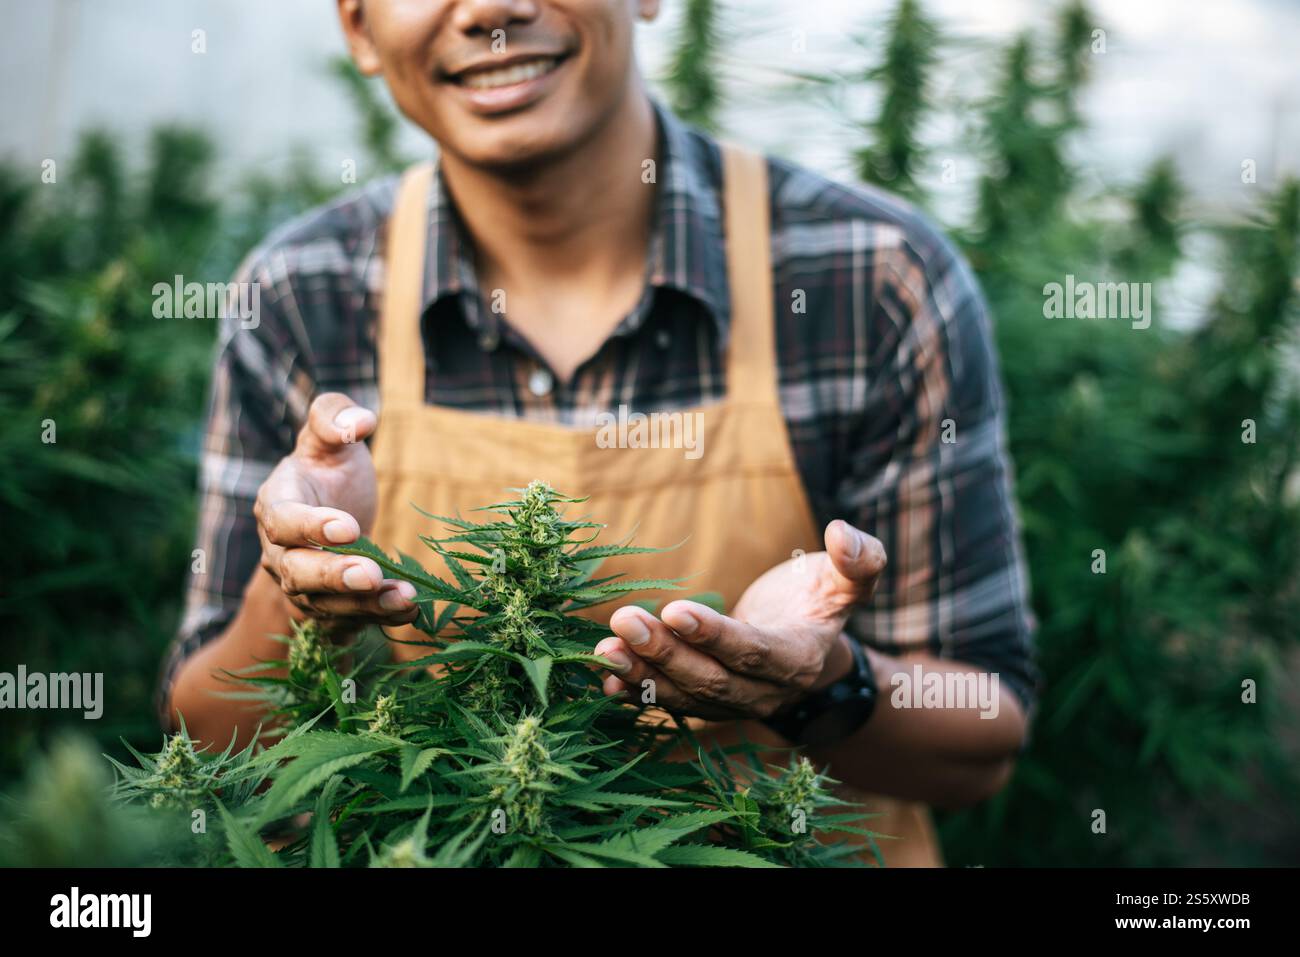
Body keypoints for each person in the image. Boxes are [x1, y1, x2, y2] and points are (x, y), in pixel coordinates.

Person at [160, 0, 1038, 867]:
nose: (491, 12)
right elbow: (208, 737)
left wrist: (818, 684)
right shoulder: (301, 297)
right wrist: (298, 592)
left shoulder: (869, 276)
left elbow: (984, 737)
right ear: (357, 26)